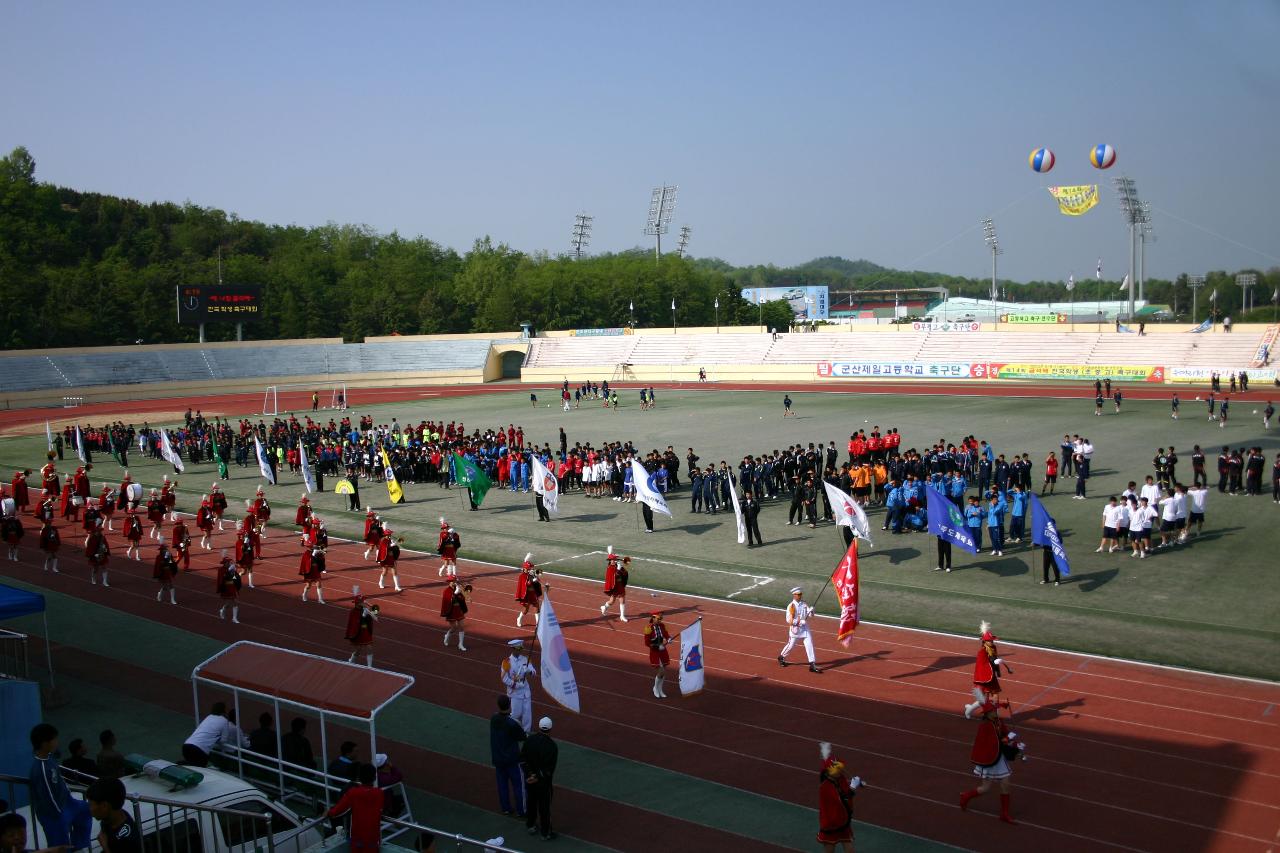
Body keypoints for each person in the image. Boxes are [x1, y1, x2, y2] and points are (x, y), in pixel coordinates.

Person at [27, 724, 93, 852]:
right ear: (45, 743)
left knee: (85, 809)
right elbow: (48, 797)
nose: (57, 742)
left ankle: (78, 846)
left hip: (66, 802)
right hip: (53, 813)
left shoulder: (50, 758)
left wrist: (68, 797)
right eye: (54, 739)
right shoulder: (40, 768)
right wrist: (60, 816)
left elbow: (59, 780)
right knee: (59, 843)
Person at [959, 701, 1023, 824]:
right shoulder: (985, 726)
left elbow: (1005, 734)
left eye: (996, 710)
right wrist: (1009, 740)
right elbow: (996, 742)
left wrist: (1015, 743)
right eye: (993, 710)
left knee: (1005, 783)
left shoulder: (998, 721)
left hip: (998, 757)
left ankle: (1004, 813)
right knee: (985, 788)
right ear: (988, 714)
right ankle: (966, 796)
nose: (996, 712)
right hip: (989, 758)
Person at [327, 763, 384, 852]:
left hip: (358, 839)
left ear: (359, 777)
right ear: (374, 777)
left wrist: (328, 813)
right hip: (373, 839)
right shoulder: (379, 793)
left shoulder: (353, 793)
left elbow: (338, 810)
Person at [817, 742, 863, 853]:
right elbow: (842, 799)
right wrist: (853, 786)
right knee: (829, 850)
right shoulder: (825, 787)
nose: (839, 771)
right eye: (836, 770)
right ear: (828, 773)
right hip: (831, 822)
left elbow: (846, 790)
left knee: (850, 849)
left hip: (842, 820)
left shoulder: (839, 778)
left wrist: (858, 783)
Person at [521, 717, 558, 841]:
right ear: (550, 729)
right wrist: (537, 776)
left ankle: (530, 825)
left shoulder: (530, 740)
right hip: (543, 784)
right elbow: (549, 770)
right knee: (544, 808)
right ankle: (545, 832)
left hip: (530, 780)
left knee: (531, 802)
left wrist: (530, 774)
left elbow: (522, 759)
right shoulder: (552, 746)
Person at [490, 695, 527, 818]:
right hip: (512, 759)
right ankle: (521, 810)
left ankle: (505, 808)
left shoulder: (493, 719)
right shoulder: (512, 723)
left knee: (502, 784)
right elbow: (522, 737)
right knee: (519, 785)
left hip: (498, 759)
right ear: (509, 705)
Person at [181, 702, 247, 767]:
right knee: (201, 770)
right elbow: (224, 740)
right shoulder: (224, 721)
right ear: (223, 710)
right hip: (200, 750)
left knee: (192, 767)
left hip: (187, 745)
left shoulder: (209, 717)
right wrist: (216, 739)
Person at [87, 777, 140, 853]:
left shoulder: (127, 840)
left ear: (104, 806)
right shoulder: (110, 818)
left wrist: (105, 846)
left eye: (90, 804)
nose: (89, 809)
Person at [964, 622, 1006, 712]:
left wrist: (997, 667)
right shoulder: (981, 652)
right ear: (985, 641)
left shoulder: (994, 648)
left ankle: (995, 715)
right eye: (989, 640)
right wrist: (994, 662)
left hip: (991, 675)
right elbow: (982, 665)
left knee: (995, 694)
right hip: (984, 677)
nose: (991, 642)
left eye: (992, 640)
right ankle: (970, 709)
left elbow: (994, 658)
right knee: (983, 700)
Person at [778, 587, 820, 673]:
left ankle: (812, 664)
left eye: (801, 594)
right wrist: (799, 622)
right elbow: (788, 620)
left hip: (805, 629)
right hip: (795, 629)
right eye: (798, 595)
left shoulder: (804, 604)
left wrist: (812, 611)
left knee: (809, 644)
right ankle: (781, 657)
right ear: (794, 595)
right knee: (791, 645)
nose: (800, 596)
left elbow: (810, 615)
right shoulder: (791, 606)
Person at [501, 639, 538, 732]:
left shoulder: (525, 659)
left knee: (527, 714)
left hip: (525, 691)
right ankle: (512, 731)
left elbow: (534, 672)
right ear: (513, 649)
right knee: (516, 714)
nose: (520, 650)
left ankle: (526, 732)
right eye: (518, 649)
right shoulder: (507, 662)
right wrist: (516, 685)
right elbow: (504, 679)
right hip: (515, 692)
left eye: (521, 648)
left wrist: (529, 671)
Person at [345, 591, 379, 666]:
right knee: (358, 650)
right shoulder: (353, 612)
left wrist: (373, 612)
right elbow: (355, 623)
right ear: (358, 603)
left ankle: (370, 666)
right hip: (358, 632)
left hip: (365, 631)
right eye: (362, 601)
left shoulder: (365, 608)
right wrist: (363, 616)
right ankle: (351, 661)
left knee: (369, 647)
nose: (364, 602)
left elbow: (375, 613)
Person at [644, 611, 674, 697]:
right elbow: (647, 643)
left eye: (661, 619)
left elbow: (665, 634)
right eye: (659, 619)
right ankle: (655, 688)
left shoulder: (662, 626)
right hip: (655, 651)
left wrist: (669, 639)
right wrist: (657, 647)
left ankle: (661, 690)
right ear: (653, 618)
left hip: (663, 650)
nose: (660, 620)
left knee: (664, 672)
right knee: (661, 671)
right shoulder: (648, 628)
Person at [440, 577, 470, 652]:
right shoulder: (446, 591)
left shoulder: (457, 588)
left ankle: (460, 644)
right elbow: (448, 601)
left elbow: (462, 599)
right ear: (449, 582)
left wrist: (463, 593)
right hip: (451, 611)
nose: (454, 582)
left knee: (462, 627)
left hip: (458, 610)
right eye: (452, 581)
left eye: (454, 581)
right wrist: (455, 593)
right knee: (454, 628)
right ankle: (447, 635)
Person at [600, 549, 630, 621]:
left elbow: (623, 573)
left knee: (622, 600)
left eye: (616, 559)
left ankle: (622, 616)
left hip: (620, 585)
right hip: (614, 586)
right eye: (614, 559)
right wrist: (619, 570)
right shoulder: (610, 568)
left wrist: (623, 569)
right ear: (611, 560)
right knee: (612, 601)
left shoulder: (616, 565)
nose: (616, 560)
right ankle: (604, 607)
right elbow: (614, 576)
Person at [514, 555, 542, 628]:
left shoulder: (532, 573)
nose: (530, 569)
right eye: (528, 569)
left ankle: (538, 623)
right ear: (524, 569)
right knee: (526, 609)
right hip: (526, 594)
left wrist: (538, 576)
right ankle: (519, 618)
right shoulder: (522, 576)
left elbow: (540, 573)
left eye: (530, 568)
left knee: (536, 607)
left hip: (533, 593)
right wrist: (533, 580)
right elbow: (525, 584)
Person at [216, 550, 243, 622]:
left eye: (229, 562)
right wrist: (229, 571)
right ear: (225, 563)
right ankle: (225, 612)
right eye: (228, 562)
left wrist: (234, 572)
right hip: (226, 588)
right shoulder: (221, 570)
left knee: (232, 602)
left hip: (232, 587)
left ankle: (233, 617)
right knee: (230, 603)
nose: (229, 563)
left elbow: (234, 578)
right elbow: (223, 578)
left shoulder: (231, 569)